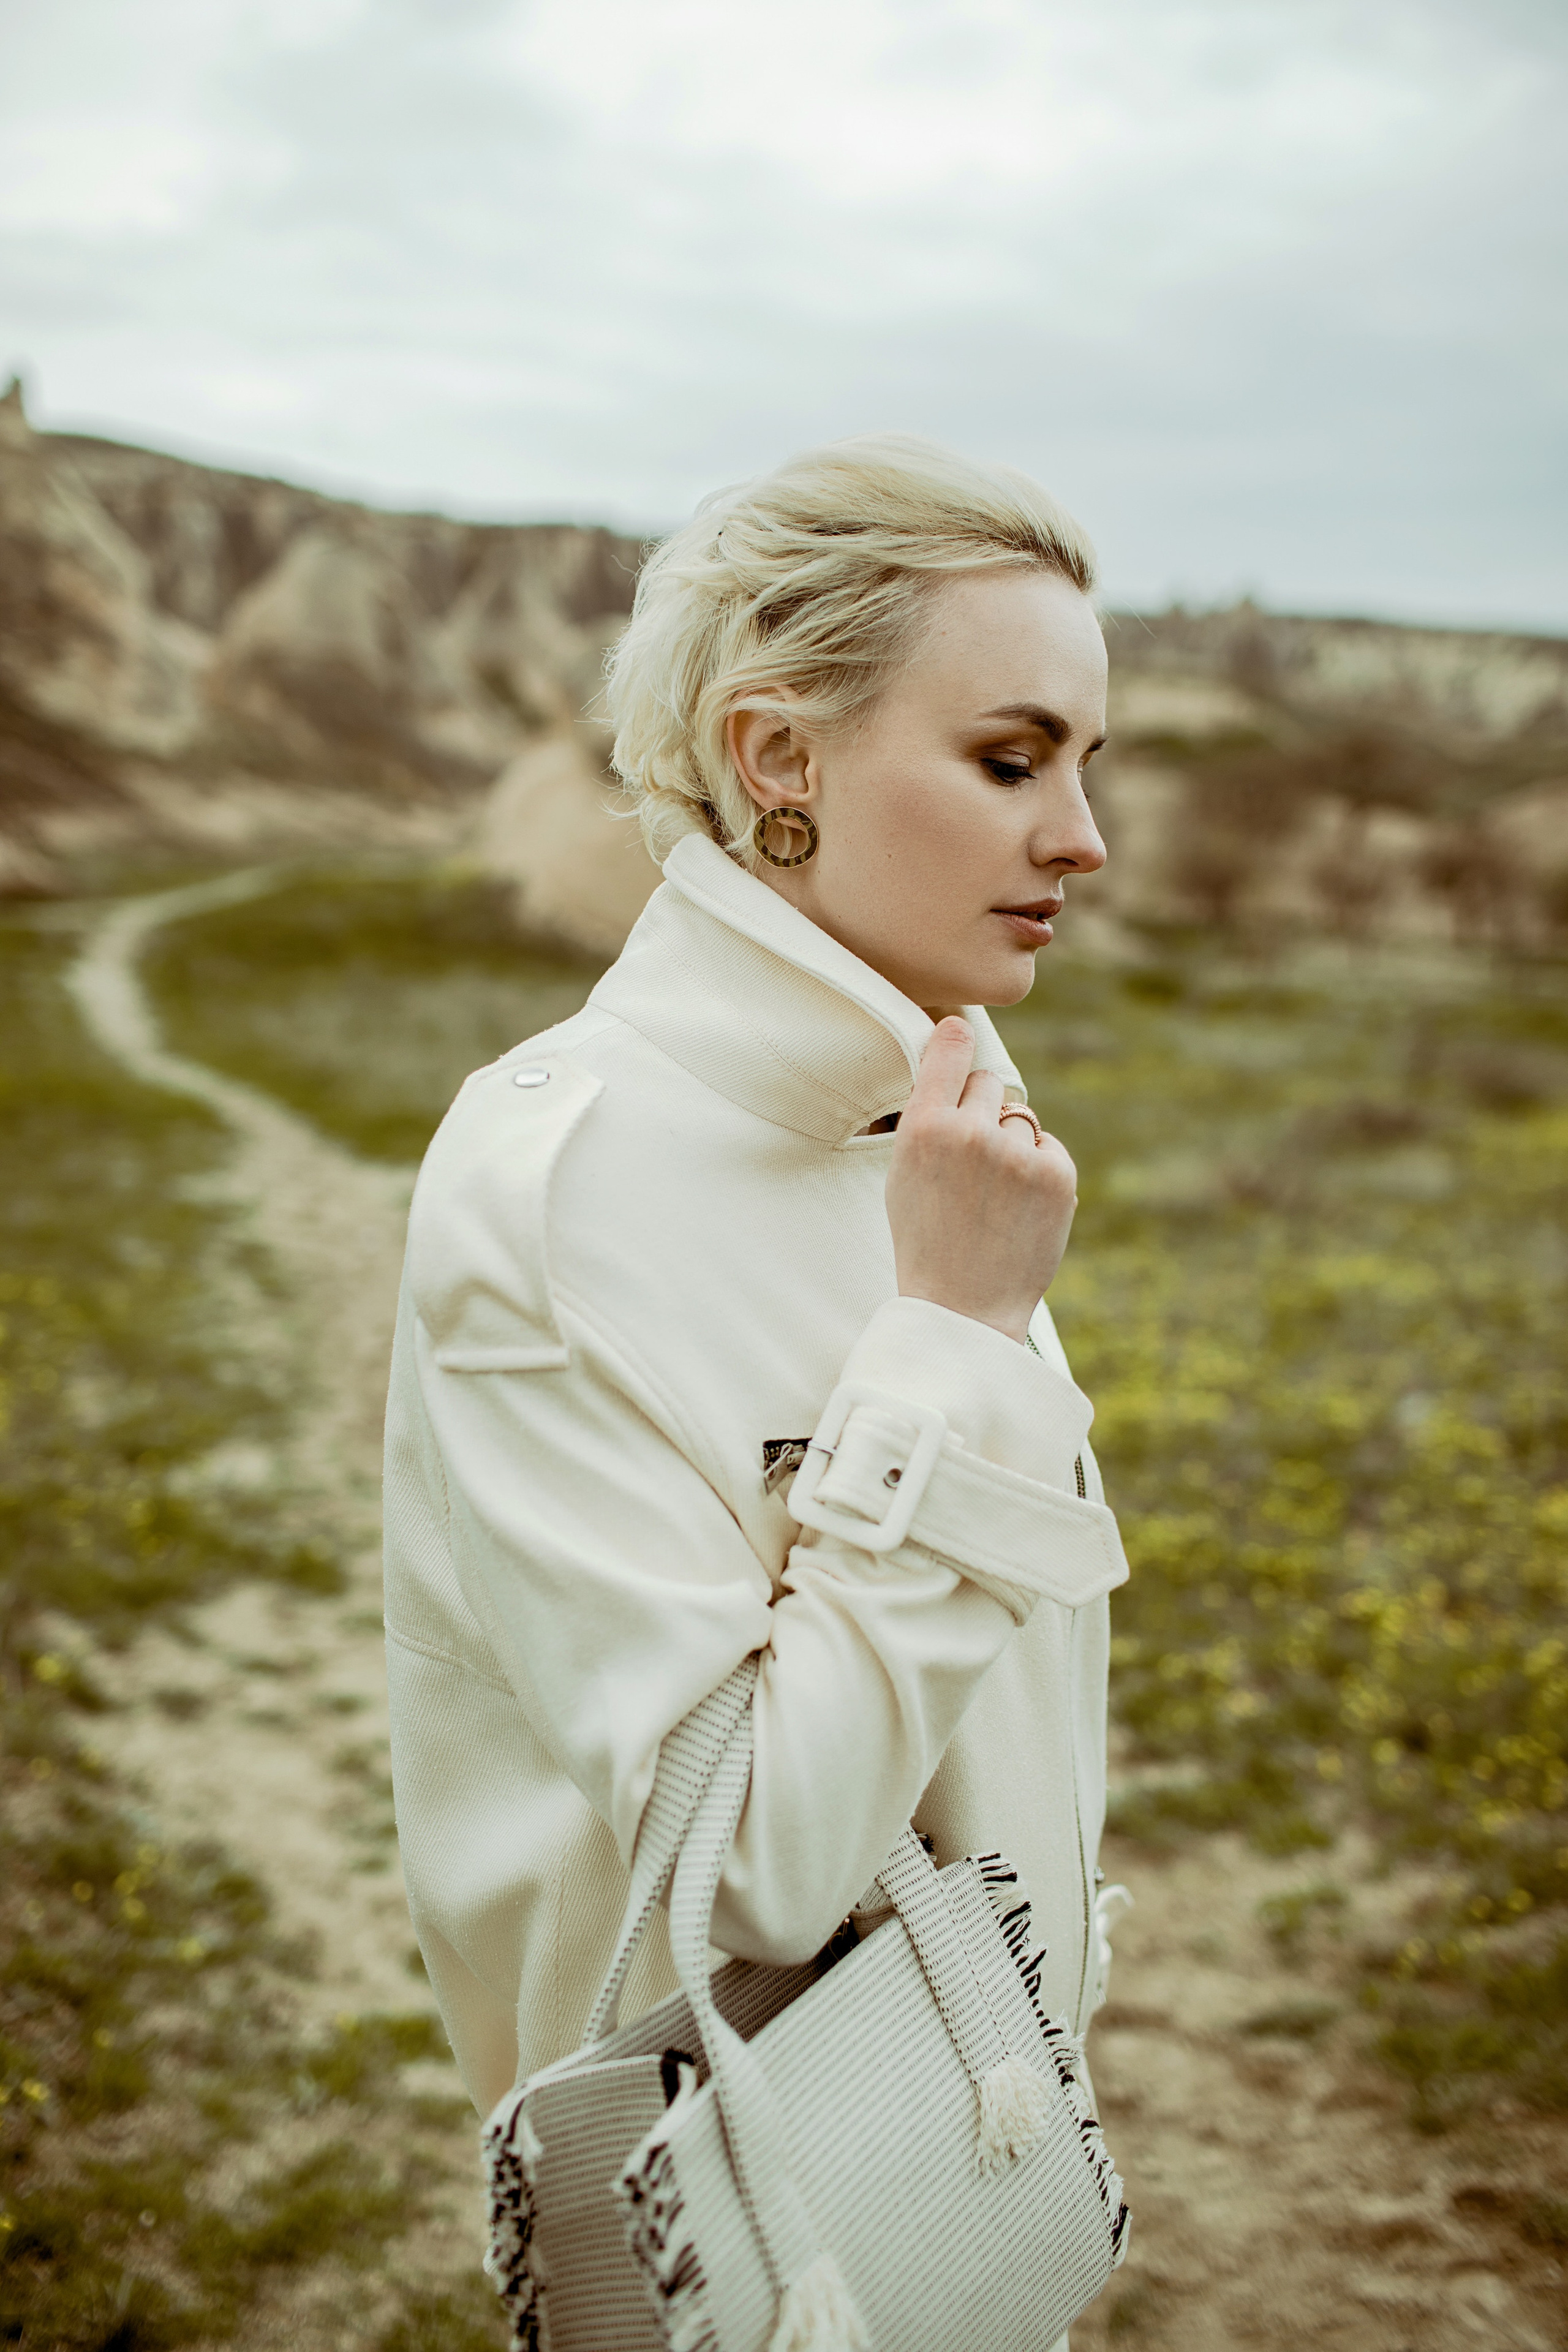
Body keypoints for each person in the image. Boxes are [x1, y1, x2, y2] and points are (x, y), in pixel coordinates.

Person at [383, 435, 1129, 2161]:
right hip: (732, 2225)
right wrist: (947, 1345)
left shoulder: (941, 1127)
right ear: (777, 755)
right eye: (1013, 759)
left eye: (1088, 764)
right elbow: (750, 1869)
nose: (1082, 840)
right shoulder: (551, 1195)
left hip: (989, 2163)